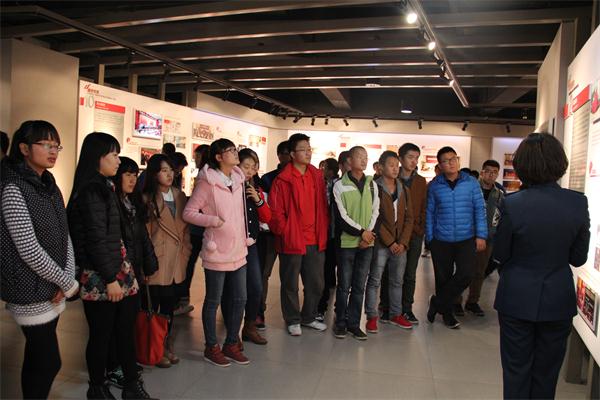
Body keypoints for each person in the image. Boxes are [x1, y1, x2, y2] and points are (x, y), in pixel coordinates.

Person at [493, 133, 590, 399]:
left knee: (516, 371)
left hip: (516, 296)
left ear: (522, 165)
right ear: (560, 162)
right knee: (547, 375)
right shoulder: (578, 203)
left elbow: (500, 253)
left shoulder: (512, 204)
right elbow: (578, 258)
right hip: (557, 298)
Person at [68, 132, 153, 399]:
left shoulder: (105, 187)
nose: (118, 161)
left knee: (124, 333)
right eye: (114, 155)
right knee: (102, 336)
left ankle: (131, 386)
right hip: (102, 275)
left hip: (117, 269)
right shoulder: (92, 190)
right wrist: (110, 278)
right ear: (98, 157)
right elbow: (96, 240)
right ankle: (98, 388)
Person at [1, 121, 78, 399]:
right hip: (28, 286)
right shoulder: (12, 187)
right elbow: (28, 248)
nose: (53, 151)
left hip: (51, 285)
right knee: (48, 361)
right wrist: (66, 282)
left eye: (56, 146)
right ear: (24, 148)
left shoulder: (50, 185)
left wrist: (66, 278)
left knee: (38, 358)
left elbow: (64, 234)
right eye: (46, 144)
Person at [183, 138, 250, 367]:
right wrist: (213, 221)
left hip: (238, 249)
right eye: (229, 150)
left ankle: (231, 343)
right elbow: (189, 212)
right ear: (219, 157)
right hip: (216, 250)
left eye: (234, 149)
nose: (235, 153)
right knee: (214, 300)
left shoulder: (238, 179)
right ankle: (211, 346)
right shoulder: (207, 182)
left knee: (240, 298)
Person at [269, 133, 329, 336]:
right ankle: (293, 319)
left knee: (316, 283)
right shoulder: (282, 180)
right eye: (303, 149)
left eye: (309, 149)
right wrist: (285, 231)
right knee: (290, 283)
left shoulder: (316, 175)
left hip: (315, 238)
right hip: (292, 238)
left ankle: (309, 317)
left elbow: (323, 206)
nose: (308, 153)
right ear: (293, 154)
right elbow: (276, 211)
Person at [106, 157, 158, 388]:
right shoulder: (111, 203)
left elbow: (142, 237)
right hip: (116, 272)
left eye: (135, 175)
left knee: (127, 321)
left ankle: (124, 361)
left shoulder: (133, 203)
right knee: (113, 324)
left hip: (133, 270)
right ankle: (113, 366)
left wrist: (148, 264)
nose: (132, 180)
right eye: (127, 174)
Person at [425, 146, 487, 329]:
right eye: (445, 161)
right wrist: (430, 238)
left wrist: (481, 235)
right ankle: (447, 314)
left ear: (458, 161)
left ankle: (437, 302)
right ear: (440, 165)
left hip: (466, 238)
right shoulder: (435, 185)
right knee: (442, 278)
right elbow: (429, 212)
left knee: (467, 273)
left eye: (453, 159)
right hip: (441, 240)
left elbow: (480, 209)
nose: (450, 163)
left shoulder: (471, 183)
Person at [142, 154, 191, 368]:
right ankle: (155, 347)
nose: (169, 174)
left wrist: (186, 251)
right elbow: (144, 234)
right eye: (164, 170)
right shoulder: (147, 199)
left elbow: (185, 229)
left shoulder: (180, 196)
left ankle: (166, 344)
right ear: (154, 174)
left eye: (171, 169)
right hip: (157, 258)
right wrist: (146, 262)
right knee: (154, 306)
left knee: (169, 306)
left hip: (176, 259)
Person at [223, 148, 271, 345]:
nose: (250, 171)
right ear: (237, 166)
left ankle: (250, 327)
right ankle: (232, 332)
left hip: (251, 245)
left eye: (253, 167)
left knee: (256, 287)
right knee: (233, 290)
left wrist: (258, 200)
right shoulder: (229, 187)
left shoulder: (256, 189)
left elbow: (267, 217)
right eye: (246, 166)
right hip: (231, 244)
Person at [332, 146, 379, 340]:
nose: (364, 160)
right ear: (349, 161)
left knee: (359, 286)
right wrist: (361, 233)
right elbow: (341, 217)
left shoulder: (372, 184)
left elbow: (376, 212)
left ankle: (353, 324)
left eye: (366, 157)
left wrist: (368, 236)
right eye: (360, 156)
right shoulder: (339, 185)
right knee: (344, 286)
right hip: (347, 244)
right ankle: (340, 322)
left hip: (367, 245)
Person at [364, 151, 414, 334]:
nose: (395, 169)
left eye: (397, 165)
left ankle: (395, 314)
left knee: (397, 281)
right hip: (380, 243)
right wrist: (390, 241)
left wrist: (403, 242)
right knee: (374, 280)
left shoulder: (404, 189)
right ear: (381, 167)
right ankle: (371, 316)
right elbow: (374, 218)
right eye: (391, 165)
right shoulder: (373, 188)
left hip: (400, 245)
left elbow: (409, 218)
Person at [379, 143, 427, 324]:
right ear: (400, 159)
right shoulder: (390, 178)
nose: (414, 161)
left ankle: (406, 309)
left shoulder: (421, 181)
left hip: (413, 234)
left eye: (417, 158)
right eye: (410, 157)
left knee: (410, 274)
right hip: (391, 235)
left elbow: (424, 206)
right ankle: (386, 307)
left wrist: (419, 228)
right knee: (388, 272)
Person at [455, 160, 504, 317]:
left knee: (479, 272)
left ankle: (472, 301)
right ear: (482, 172)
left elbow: (500, 216)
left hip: (487, 238)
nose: (491, 175)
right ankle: (456, 301)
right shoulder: (470, 189)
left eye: (494, 172)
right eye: (488, 171)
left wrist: (494, 233)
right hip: (467, 237)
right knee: (462, 270)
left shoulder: (499, 194)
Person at [256, 140, 291, 329]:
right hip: (270, 234)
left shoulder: (300, 177)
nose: (289, 157)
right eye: (285, 153)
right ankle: (259, 311)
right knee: (264, 273)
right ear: (279, 155)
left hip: (290, 233)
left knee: (290, 275)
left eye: (290, 153)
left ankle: (292, 317)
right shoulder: (268, 179)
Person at [174, 144, 210, 316]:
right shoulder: (204, 174)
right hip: (199, 228)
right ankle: (182, 298)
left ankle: (182, 298)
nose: (195, 160)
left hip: (200, 229)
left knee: (189, 263)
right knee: (189, 263)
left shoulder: (205, 176)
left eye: (197, 156)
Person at [317, 157, 340, 321]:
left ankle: (323, 305)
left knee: (328, 266)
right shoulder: (323, 184)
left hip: (332, 232)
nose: (322, 171)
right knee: (326, 267)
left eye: (324, 168)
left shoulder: (334, 185)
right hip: (325, 232)